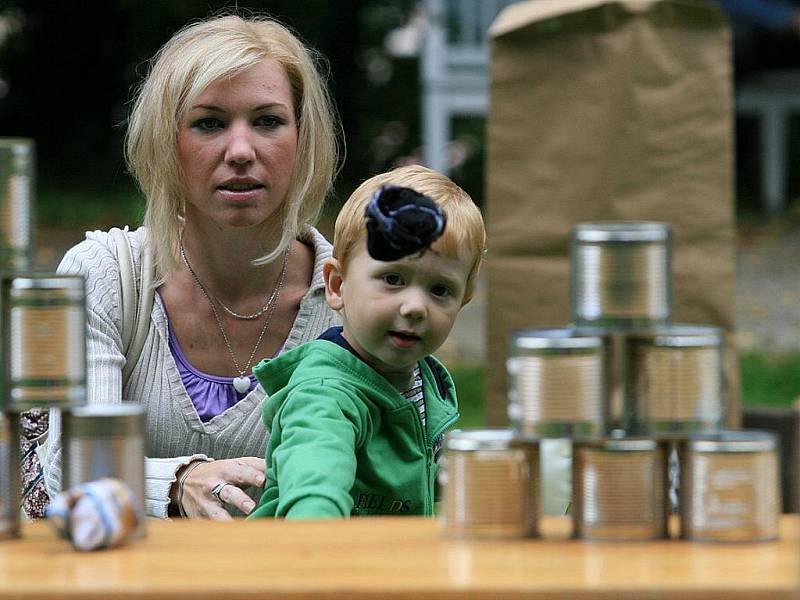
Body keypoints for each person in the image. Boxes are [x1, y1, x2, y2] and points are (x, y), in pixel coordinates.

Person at [38, 14, 342, 519]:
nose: (241, 151)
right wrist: (179, 482)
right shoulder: (106, 277)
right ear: (167, 142)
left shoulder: (351, 296)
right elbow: (67, 468)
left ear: (302, 139)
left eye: (267, 121)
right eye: (210, 123)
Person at [248, 165, 486, 519]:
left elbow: (415, 466)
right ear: (337, 285)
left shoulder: (422, 378)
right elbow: (316, 484)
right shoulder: (324, 394)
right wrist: (316, 525)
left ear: (463, 300)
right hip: (309, 564)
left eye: (440, 290)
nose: (416, 307)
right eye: (393, 278)